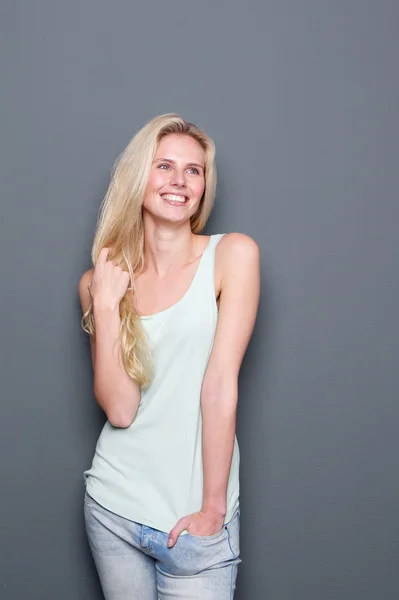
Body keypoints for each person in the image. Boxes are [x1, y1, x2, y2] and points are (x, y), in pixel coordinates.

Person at [78, 113, 260, 599]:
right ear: (139, 178)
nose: (179, 181)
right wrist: (105, 302)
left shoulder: (232, 255)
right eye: (164, 166)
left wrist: (213, 509)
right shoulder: (102, 283)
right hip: (114, 508)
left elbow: (220, 385)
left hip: (195, 518)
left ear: (204, 186)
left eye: (193, 170)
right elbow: (120, 409)